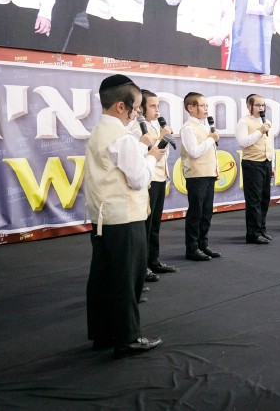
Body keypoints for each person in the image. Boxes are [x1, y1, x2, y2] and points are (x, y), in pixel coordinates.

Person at [84, 74, 164, 356]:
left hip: (104, 218)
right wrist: (152, 157)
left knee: (104, 279)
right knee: (127, 281)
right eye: (137, 106)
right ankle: (127, 337)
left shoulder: (100, 131)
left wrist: (142, 148)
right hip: (125, 217)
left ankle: (103, 334)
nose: (138, 112)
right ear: (121, 106)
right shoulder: (122, 137)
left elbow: (117, 165)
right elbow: (138, 179)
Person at [179, 92, 222, 261]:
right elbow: (194, 152)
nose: (206, 109)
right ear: (190, 108)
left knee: (206, 213)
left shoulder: (205, 126)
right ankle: (192, 248)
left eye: (206, 106)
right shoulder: (188, 128)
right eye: (202, 105)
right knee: (196, 213)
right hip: (196, 176)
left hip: (209, 174)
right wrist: (211, 139)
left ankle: (203, 244)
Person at [138, 90, 176, 274]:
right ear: (140, 107)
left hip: (160, 177)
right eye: (152, 106)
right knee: (146, 225)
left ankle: (154, 260)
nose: (157, 110)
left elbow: (161, 154)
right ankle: (142, 266)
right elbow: (145, 154)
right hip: (148, 179)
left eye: (158, 106)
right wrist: (161, 138)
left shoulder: (154, 126)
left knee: (155, 224)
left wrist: (164, 138)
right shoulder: (137, 128)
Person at [235, 94, 274, 244]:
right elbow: (243, 142)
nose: (261, 108)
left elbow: (270, 144)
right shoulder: (243, 121)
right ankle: (253, 233)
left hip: (266, 162)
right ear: (248, 106)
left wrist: (272, 164)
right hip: (252, 163)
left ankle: (261, 229)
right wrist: (259, 131)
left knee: (264, 198)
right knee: (254, 200)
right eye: (258, 105)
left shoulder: (267, 122)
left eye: (263, 105)